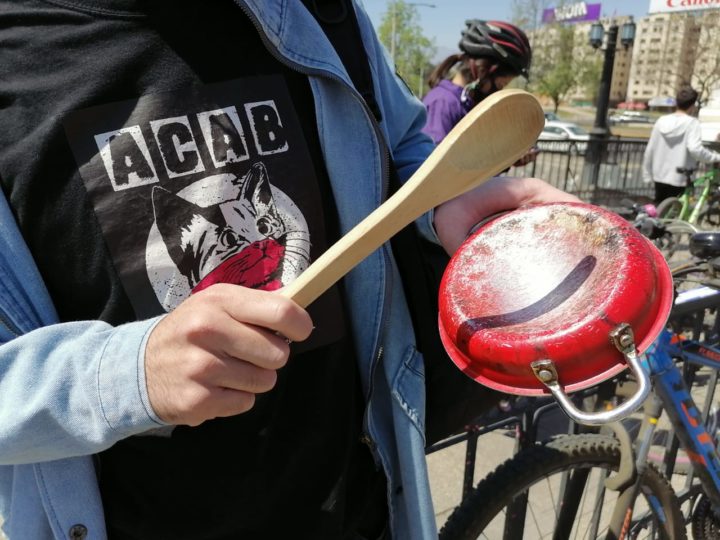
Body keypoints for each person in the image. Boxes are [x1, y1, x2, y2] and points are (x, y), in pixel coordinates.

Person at [0, 1, 578, 538]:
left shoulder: (322, 14)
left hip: (359, 509)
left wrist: (442, 203)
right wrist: (129, 374)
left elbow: (398, 144)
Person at [421, 19, 534, 147]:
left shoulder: (466, 104)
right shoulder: (443, 103)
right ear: (483, 71)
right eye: (500, 85)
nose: (499, 91)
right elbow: (435, 158)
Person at [643, 85, 720, 204]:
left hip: (659, 175)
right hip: (680, 176)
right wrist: (716, 157)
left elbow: (650, 150)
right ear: (692, 105)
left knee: (660, 207)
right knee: (678, 209)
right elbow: (695, 149)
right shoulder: (692, 123)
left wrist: (647, 174)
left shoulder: (661, 121)